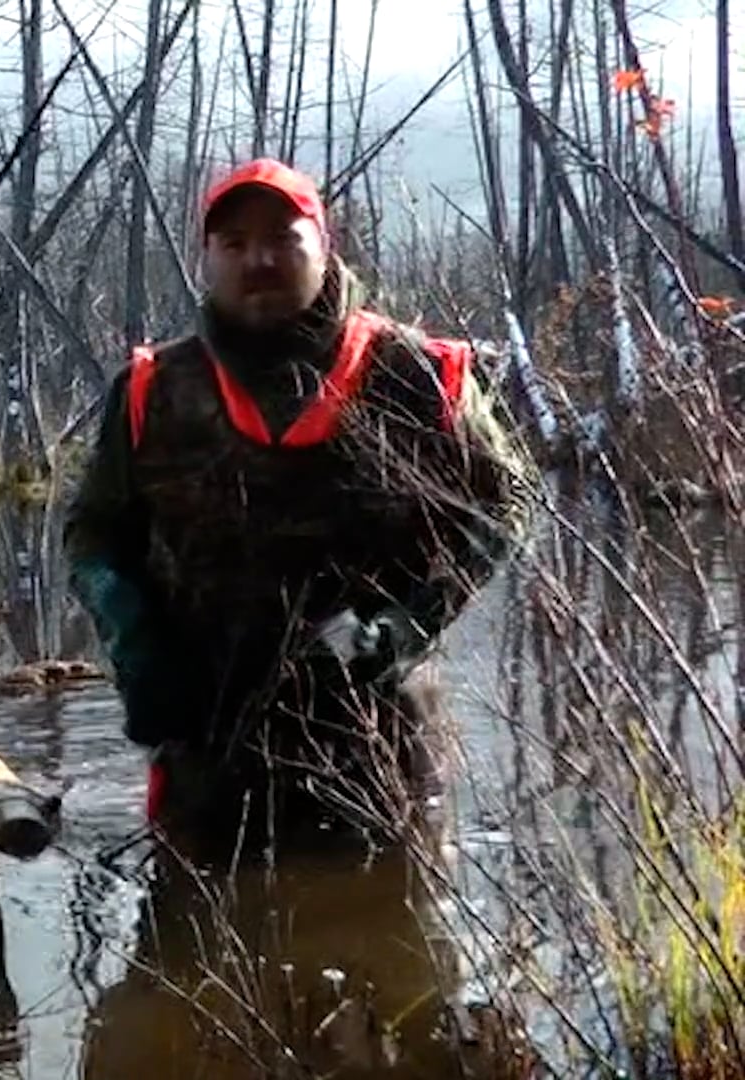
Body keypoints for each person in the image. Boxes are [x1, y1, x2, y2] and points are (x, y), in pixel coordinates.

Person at [63, 158, 538, 861]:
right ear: (207, 258)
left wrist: (410, 623)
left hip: (384, 748)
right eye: (234, 243)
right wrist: (136, 647)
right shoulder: (150, 390)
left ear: (324, 244)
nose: (259, 259)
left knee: (394, 949)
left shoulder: (419, 375)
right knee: (189, 954)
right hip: (205, 745)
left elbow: (506, 504)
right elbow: (94, 535)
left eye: (283, 238)